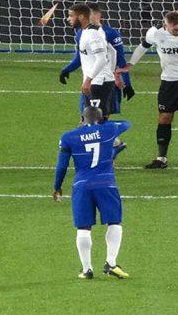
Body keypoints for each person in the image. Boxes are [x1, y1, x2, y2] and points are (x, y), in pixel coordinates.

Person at [121, 11, 178, 169]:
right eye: (174, 29)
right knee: (164, 117)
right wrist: (131, 64)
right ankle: (161, 158)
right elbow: (143, 46)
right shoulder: (155, 33)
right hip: (170, 80)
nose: (177, 31)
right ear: (165, 25)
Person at [53, 106, 130, 280]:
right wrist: (103, 126)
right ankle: (111, 263)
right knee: (115, 223)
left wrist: (57, 186)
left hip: (82, 185)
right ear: (102, 118)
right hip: (106, 184)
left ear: (81, 118)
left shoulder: (68, 137)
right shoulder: (108, 129)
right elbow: (126, 123)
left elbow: (62, 166)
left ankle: (87, 270)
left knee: (83, 228)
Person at [60, 3, 134, 118]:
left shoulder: (98, 34)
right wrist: (66, 70)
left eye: (71, 16)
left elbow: (112, 58)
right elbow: (81, 57)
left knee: (95, 121)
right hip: (95, 81)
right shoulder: (83, 32)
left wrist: (124, 81)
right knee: (90, 120)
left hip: (99, 82)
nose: (68, 19)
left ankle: (111, 136)